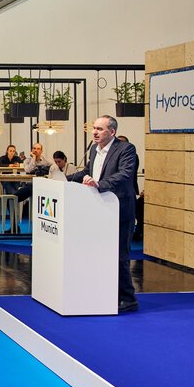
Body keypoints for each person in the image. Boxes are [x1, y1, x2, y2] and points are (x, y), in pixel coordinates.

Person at [70, 116, 139, 313]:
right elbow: (88, 171)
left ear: (112, 132)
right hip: (99, 210)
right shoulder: (94, 149)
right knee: (100, 253)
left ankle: (128, 299)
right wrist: (62, 179)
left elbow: (125, 174)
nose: (94, 132)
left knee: (119, 255)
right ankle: (106, 293)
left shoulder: (126, 149)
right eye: (94, 128)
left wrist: (100, 184)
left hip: (120, 210)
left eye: (99, 129)